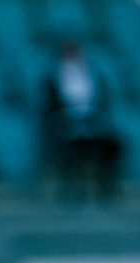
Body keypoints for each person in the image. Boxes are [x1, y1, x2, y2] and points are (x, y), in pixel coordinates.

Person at [42, 41, 123, 199]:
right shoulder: (52, 78)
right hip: (66, 122)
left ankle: (104, 185)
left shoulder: (94, 75)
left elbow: (102, 102)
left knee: (112, 145)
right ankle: (73, 188)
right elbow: (50, 108)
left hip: (92, 121)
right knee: (73, 146)